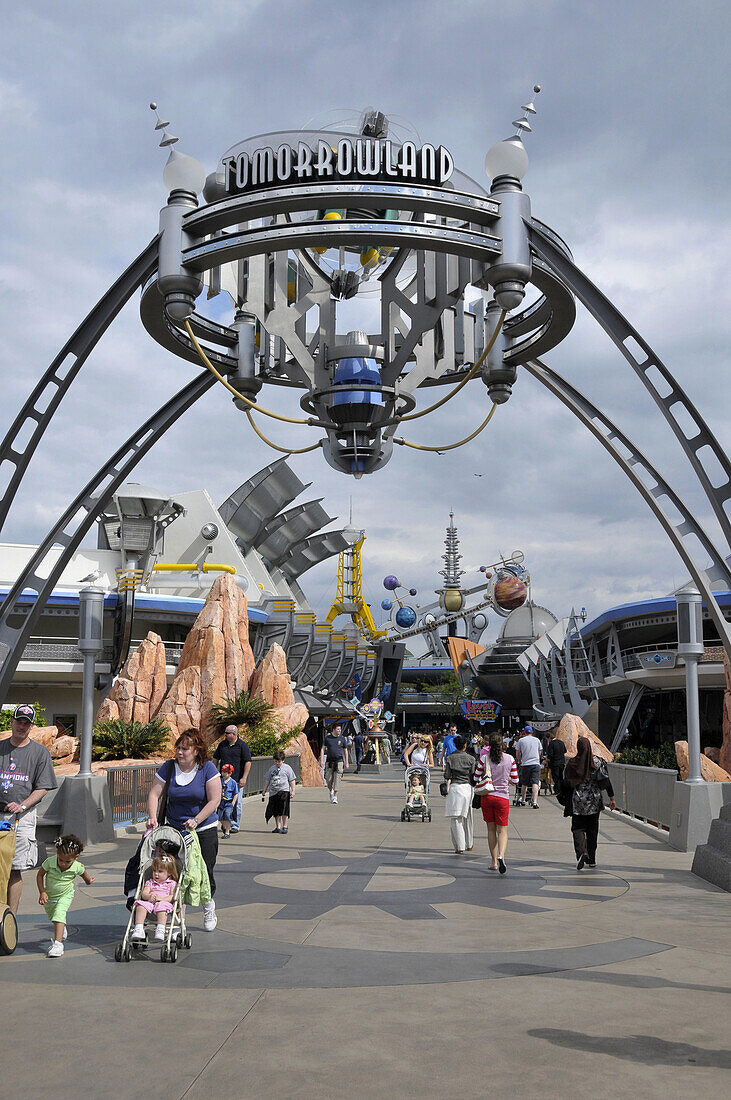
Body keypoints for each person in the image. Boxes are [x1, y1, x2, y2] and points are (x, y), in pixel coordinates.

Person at [147, 728, 221, 931]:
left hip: (203, 828)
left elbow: (215, 799)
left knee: (203, 870)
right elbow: (154, 794)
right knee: (175, 872)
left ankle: (208, 906)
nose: (180, 752)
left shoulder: (207, 769)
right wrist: (153, 817)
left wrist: (197, 819)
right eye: (178, 748)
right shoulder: (169, 768)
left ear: (196, 750)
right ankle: (179, 918)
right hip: (174, 829)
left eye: (185, 749)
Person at [0, 703, 57, 918]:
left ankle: (9, 919)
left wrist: (22, 805)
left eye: (26, 723)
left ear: (31, 726)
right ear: (12, 722)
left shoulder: (39, 752)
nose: (21, 726)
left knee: (14, 868)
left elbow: (42, 787)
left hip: (20, 817)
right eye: (18, 721)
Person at [561, 735, 616, 870]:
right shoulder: (597, 762)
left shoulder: (573, 763)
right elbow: (605, 781)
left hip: (578, 802)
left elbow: (566, 782)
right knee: (592, 830)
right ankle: (592, 859)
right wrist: (612, 798)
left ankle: (581, 853)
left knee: (577, 828)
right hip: (594, 802)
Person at [36, 833, 95, 958]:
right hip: (50, 896)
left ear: (76, 858)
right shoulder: (50, 862)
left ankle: (58, 945)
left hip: (66, 895)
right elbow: (40, 875)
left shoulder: (77, 867)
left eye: (67, 861)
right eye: (60, 859)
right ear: (57, 855)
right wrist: (42, 892)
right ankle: (62, 928)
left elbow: (85, 876)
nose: (63, 863)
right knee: (54, 916)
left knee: (59, 913)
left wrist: (89, 881)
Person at [474, 734, 519, 874]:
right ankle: (502, 856)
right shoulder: (510, 759)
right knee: (502, 830)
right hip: (502, 798)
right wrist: (507, 780)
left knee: (491, 830)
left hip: (487, 797)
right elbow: (516, 780)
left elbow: (476, 777)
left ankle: (493, 862)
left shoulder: (484, 759)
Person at [130, 852, 178, 943]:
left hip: (164, 903)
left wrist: (162, 899)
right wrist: (149, 896)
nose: (156, 874)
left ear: (169, 873)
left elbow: (172, 896)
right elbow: (144, 894)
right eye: (154, 871)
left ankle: (160, 928)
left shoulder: (172, 883)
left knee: (162, 906)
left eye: (160, 872)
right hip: (150, 903)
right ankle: (139, 928)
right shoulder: (150, 882)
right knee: (140, 905)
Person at [213, 724, 252, 833]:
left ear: (234, 734)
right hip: (223, 780)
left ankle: (234, 825)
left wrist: (244, 777)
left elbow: (248, 762)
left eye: (227, 733)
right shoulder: (222, 745)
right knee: (222, 803)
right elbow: (215, 758)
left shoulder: (242, 745)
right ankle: (225, 824)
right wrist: (214, 773)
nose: (225, 735)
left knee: (236, 804)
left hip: (236, 780)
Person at [443, 735, 476, 854]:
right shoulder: (471, 759)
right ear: (465, 745)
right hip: (468, 788)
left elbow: (447, 775)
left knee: (456, 818)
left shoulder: (450, 758)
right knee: (468, 816)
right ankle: (470, 843)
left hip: (456, 788)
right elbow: (473, 775)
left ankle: (459, 846)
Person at [262, 750, 296, 833]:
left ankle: (285, 826)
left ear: (283, 760)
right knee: (275, 810)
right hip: (273, 792)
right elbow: (267, 779)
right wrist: (264, 790)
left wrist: (293, 790)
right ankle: (278, 826)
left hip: (284, 791)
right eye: (275, 761)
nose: (277, 763)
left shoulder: (287, 768)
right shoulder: (272, 769)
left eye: (279, 761)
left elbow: (292, 780)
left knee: (284, 809)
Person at [320, 723, 349, 804]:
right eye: (338, 729)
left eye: (340, 729)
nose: (339, 731)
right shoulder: (327, 738)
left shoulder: (342, 739)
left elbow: (345, 750)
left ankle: (335, 796)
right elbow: (323, 749)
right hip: (329, 761)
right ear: (333, 730)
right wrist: (321, 760)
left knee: (337, 778)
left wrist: (346, 762)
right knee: (328, 779)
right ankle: (331, 790)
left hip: (339, 761)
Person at [515, 725, 542, 808]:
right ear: (532, 732)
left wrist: (520, 761)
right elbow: (540, 751)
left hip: (525, 764)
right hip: (535, 763)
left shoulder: (521, 741)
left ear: (524, 732)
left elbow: (517, 753)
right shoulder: (537, 740)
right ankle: (535, 801)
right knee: (535, 782)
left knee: (524, 783)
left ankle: (523, 800)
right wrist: (537, 758)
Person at [217, 764, 239, 838]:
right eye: (222, 772)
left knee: (227, 816)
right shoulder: (220, 781)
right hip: (221, 801)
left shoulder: (233, 782)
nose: (223, 774)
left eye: (225, 772)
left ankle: (227, 832)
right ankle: (224, 827)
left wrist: (233, 802)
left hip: (229, 802)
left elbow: (236, 793)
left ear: (230, 773)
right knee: (220, 817)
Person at [545, 728, 567, 793]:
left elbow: (550, 754)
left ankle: (557, 790)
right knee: (561, 776)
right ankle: (562, 790)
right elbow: (565, 751)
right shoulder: (561, 742)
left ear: (549, 738)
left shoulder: (551, 744)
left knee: (556, 777)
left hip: (555, 763)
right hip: (562, 762)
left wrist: (547, 758)